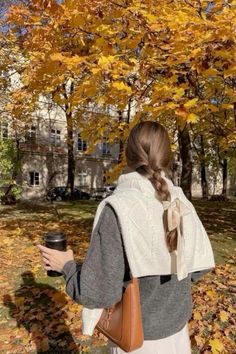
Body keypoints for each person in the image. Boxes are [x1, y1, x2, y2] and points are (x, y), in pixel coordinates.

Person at [38, 121, 215, 354]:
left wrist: (67, 266)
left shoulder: (119, 208)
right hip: (177, 335)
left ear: (128, 155)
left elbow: (96, 293)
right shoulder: (182, 203)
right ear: (167, 156)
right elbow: (198, 267)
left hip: (137, 340)